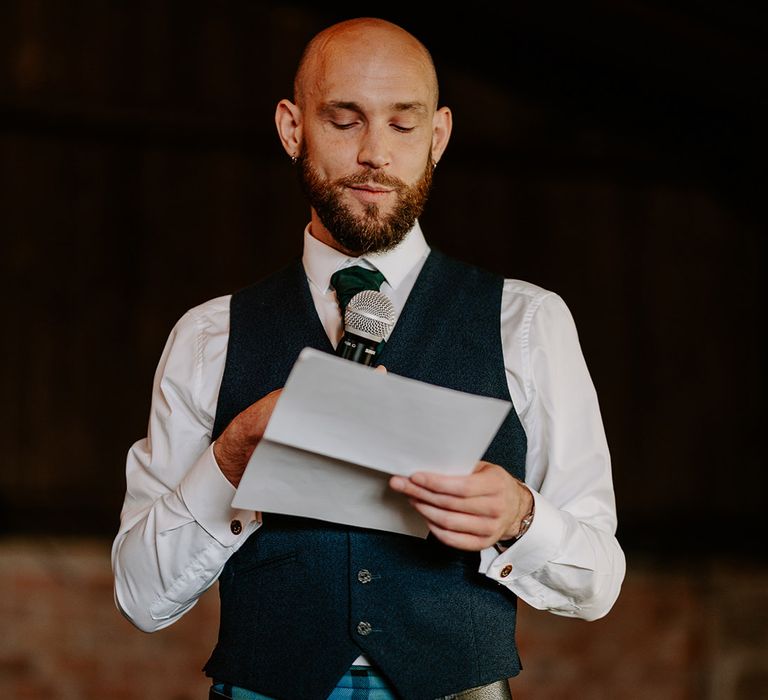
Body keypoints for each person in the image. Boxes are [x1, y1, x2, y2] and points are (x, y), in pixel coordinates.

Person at [112, 17, 625, 700]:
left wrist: (519, 517)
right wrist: (232, 457)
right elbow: (141, 597)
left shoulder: (528, 321)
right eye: (345, 121)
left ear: (438, 136)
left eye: (404, 126)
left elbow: (599, 581)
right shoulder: (209, 336)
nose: (375, 155)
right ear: (293, 129)